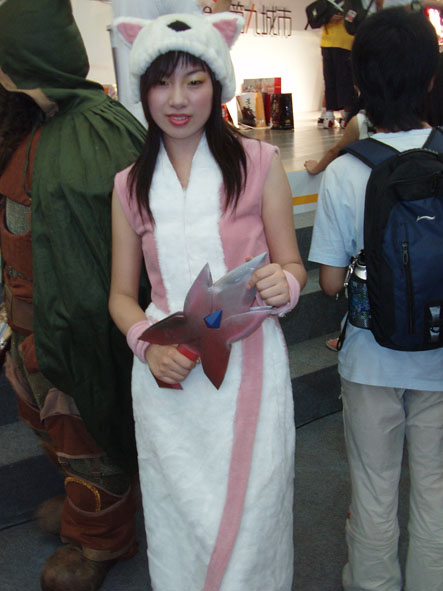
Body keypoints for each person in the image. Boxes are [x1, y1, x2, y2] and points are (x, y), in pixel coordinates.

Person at [109, 11, 306, 591]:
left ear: (217, 83)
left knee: (254, 518)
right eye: (161, 82)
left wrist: (287, 284)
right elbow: (121, 296)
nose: (177, 100)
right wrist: (147, 348)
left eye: (194, 81)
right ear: (142, 88)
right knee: (177, 518)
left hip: (249, 369)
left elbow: (291, 264)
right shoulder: (129, 184)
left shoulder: (259, 163)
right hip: (169, 376)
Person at [0, 1, 150, 590]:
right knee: (53, 429)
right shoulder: (38, 123)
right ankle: (91, 508)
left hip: (69, 334)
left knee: (84, 435)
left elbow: (91, 273)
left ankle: (101, 539)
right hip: (31, 328)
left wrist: (63, 345)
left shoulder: (93, 135)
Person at [309, 7, 443, 591]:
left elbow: (329, 283)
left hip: (369, 360)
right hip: (440, 355)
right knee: (436, 493)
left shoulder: (346, 171)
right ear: (431, 77)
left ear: (359, 81)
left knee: (373, 491)